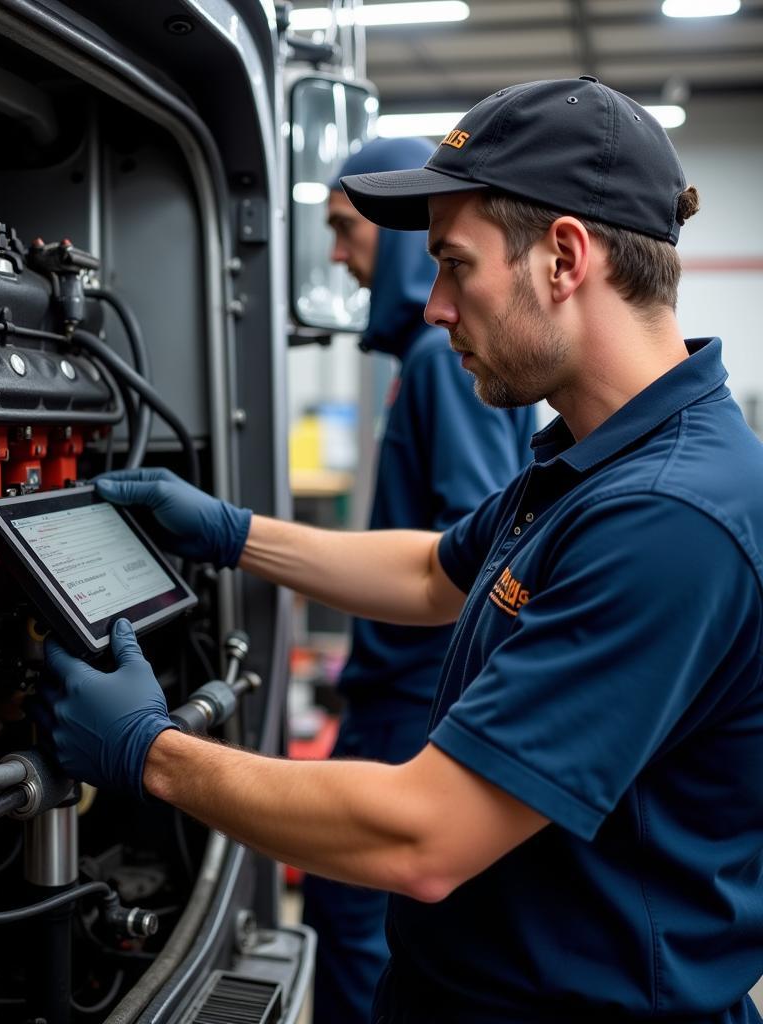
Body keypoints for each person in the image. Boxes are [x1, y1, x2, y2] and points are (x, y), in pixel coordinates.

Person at [37, 78, 763, 1023]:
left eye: (456, 266)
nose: (432, 307)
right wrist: (228, 530)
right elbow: (431, 574)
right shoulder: (595, 462)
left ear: (564, 259)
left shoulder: (668, 517)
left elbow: (425, 838)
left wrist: (153, 753)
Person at [303, 136, 534, 1024]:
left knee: (360, 935)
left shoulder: (442, 363)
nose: (335, 254)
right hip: (392, 696)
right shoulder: (423, 362)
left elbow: (473, 555)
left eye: (343, 229)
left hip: (407, 706)